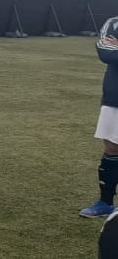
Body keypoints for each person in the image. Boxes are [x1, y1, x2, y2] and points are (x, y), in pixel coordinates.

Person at [79, 13, 118, 219]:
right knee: (111, 147)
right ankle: (105, 203)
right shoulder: (113, 23)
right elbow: (106, 52)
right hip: (115, 98)